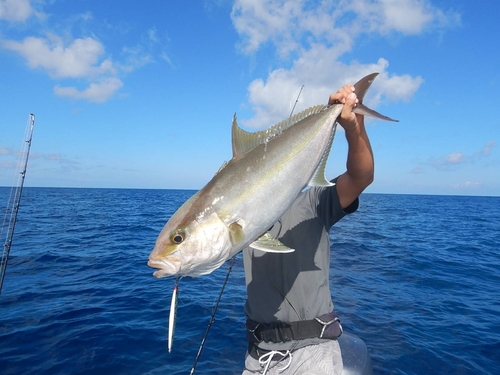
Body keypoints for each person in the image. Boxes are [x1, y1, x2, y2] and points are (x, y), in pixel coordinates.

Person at [242, 82, 374, 375]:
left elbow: (361, 176)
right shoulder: (245, 219)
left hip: (313, 354)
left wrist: (353, 127)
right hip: (256, 358)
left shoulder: (315, 200)